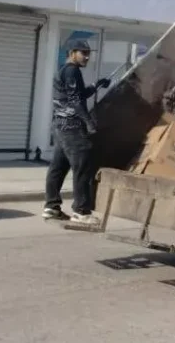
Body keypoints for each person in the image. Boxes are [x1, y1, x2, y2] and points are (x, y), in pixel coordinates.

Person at [43, 39, 111, 223]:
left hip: (60, 126)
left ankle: (51, 207)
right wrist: (88, 123)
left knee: (58, 167)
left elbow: (76, 95)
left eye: (88, 53)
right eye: (83, 53)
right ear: (72, 53)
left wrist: (96, 85)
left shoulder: (65, 71)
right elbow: (75, 101)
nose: (87, 56)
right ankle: (81, 211)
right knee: (83, 168)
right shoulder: (72, 70)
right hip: (72, 127)